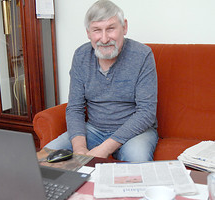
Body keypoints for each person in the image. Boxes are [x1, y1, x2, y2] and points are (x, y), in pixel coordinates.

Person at [45, 0, 158, 162]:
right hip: (93, 129)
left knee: (138, 161)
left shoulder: (143, 55)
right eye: (97, 30)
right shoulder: (81, 56)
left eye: (111, 29)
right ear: (88, 32)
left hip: (136, 132)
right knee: (45, 158)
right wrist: (80, 149)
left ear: (124, 27)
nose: (104, 39)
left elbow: (146, 113)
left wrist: (104, 149)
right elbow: (75, 108)